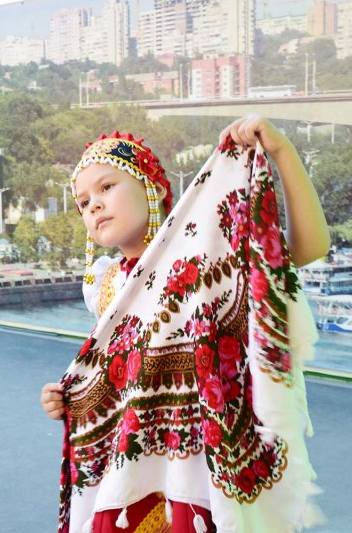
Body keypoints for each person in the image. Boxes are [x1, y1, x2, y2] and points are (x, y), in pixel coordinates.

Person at [40, 114, 329, 532]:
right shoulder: (105, 285)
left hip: (198, 471)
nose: (94, 205)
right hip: (130, 474)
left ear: (155, 189)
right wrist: (69, 399)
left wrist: (281, 151)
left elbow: (310, 246)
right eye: (83, 202)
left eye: (106, 187)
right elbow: (121, 373)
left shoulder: (206, 259)